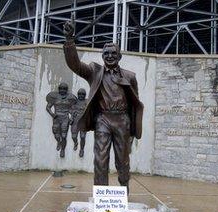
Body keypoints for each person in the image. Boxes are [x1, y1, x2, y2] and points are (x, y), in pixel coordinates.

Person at [62, 21, 144, 191]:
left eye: (113, 53)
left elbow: (134, 103)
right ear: (102, 56)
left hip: (122, 120)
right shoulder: (94, 71)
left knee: (123, 159)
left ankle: (124, 191)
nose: (109, 56)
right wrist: (69, 40)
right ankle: (101, 194)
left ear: (119, 56)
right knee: (100, 158)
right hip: (103, 119)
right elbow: (74, 65)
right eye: (106, 53)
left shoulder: (130, 76)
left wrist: (132, 129)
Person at [46, 83, 77, 158]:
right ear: (59, 89)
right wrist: (52, 114)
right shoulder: (54, 97)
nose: (62, 90)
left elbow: (72, 111)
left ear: (66, 90)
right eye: (61, 89)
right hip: (56, 118)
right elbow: (48, 107)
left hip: (65, 118)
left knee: (64, 136)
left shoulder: (70, 98)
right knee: (55, 133)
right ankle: (59, 142)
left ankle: (62, 150)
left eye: (64, 89)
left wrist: (72, 118)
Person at [71, 88, 88, 158]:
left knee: (82, 137)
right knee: (74, 136)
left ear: (85, 95)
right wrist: (72, 114)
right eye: (80, 94)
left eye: (83, 94)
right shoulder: (74, 101)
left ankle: (82, 149)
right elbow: (70, 109)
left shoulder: (87, 102)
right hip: (75, 121)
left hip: (83, 121)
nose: (81, 95)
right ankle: (75, 143)